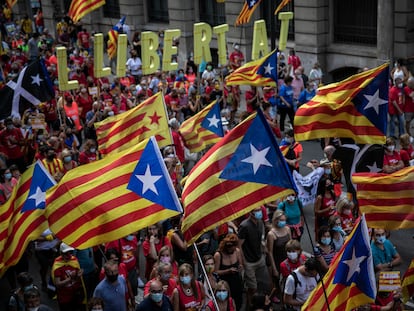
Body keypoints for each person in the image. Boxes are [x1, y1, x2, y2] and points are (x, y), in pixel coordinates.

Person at [238, 207, 271, 307]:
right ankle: (250, 305)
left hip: (259, 258)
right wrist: (243, 261)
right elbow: (239, 245)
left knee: (262, 284)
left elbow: (261, 238)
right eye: (256, 211)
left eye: (259, 210)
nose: (259, 212)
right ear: (251, 213)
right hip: (249, 262)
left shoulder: (260, 223)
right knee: (252, 287)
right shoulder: (244, 226)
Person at [52, 243, 87, 311]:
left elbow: (77, 278)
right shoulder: (58, 265)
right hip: (64, 297)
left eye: (70, 252)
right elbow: (57, 284)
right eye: (66, 253)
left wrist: (79, 274)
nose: (69, 255)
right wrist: (70, 279)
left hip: (76, 295)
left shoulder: (74, 260)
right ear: (61, 253)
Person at [266, 210, 291, 303]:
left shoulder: (287, 229)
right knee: (277, 283)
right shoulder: (271, 234)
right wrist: (274, 268)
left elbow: (291, 244)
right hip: (277, 261)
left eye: (284, 220)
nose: (283, 222)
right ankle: (272, 297)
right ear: (276, 220)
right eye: (281, 220)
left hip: (287, 259)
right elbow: (270, 252)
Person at [213, 233, 243, 310]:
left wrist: (240, 267)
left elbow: (241, 264)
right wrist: (227, 271)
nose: (231, 249)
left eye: (232, 247)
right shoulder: (218, 255)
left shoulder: (237, 251)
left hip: (236, 283)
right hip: (224, 286)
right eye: (228, 247)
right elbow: (215, 272)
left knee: (238, 303)